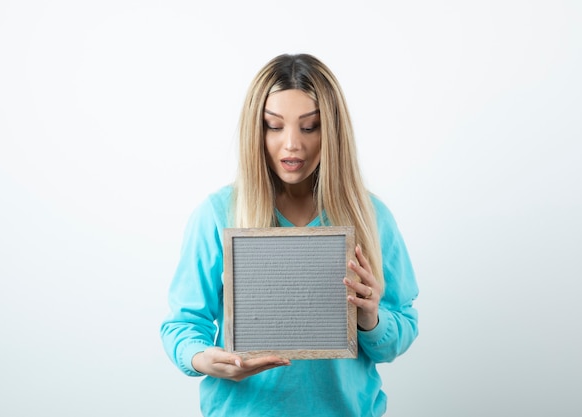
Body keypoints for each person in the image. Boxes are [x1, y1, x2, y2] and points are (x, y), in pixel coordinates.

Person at [160, 53, 419, 417]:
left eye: (309, 127)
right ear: (256, 129)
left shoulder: (370, 216)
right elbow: (184, 324)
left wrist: (370, 318)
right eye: (274, 126)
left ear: (331, 130)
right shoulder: (218, 214)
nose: (292, 144)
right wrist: (204, 359)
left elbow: (401, 329)